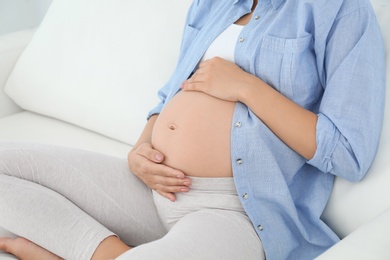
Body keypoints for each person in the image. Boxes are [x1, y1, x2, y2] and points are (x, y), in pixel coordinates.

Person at [0, 0, 386, 259]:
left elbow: (348, 152)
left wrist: (246, 87)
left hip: (237, 211)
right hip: (155, 190)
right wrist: (140, 151)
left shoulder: (340, 9)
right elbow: (172, 93)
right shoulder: (213, 3)